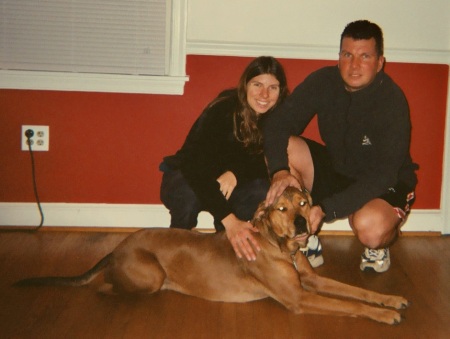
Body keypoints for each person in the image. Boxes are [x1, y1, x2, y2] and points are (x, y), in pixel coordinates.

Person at [263, 20, 418, 272]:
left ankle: (380, 244)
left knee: (369, 227)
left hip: (384, 182)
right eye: (347, 55)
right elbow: (277, 125)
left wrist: (326, 208)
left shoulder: (392, 101)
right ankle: (305, 237)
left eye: (364, 56)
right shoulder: (323, 81)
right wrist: (279, 171)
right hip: (338, 169)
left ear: (380, 63)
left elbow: (383, 174)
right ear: (339, 57)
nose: (354, 65)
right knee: (286, 147)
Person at [160, 56, 289, 261]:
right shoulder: (223, 110)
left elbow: (265, 161)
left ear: (280, 91)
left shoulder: (277, 119)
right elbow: (195, 167)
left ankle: (226, 243)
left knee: (261, 188)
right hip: (188, 177)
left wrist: (235, 174)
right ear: (245, 85)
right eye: (257, 85)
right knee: (188, 191)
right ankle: (176, 243)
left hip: (229, 185)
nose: (264, 94)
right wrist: (230, 220)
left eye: (273, 87)